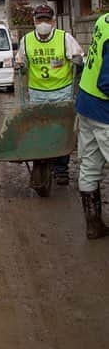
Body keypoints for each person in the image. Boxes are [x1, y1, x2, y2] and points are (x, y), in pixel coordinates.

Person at [15, 4, 84, 185]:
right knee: (39, 130)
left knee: (60, 132)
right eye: (40, 20)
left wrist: (78, 61)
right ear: (34, 21)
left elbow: (79, 56)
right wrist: (20, 65)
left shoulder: (64, 38)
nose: (43, 23)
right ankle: (41, 160)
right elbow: (21, 60)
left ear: (53, 21)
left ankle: (61, 168)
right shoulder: (27, 40)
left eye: (46, 19)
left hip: (62, 91)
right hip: (37, 92)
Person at [76, 12, 109, 240]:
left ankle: (93, 226)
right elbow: (107, 83)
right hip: (103, 111)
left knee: (89, 165)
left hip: (86, 103)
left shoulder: (103, 20)